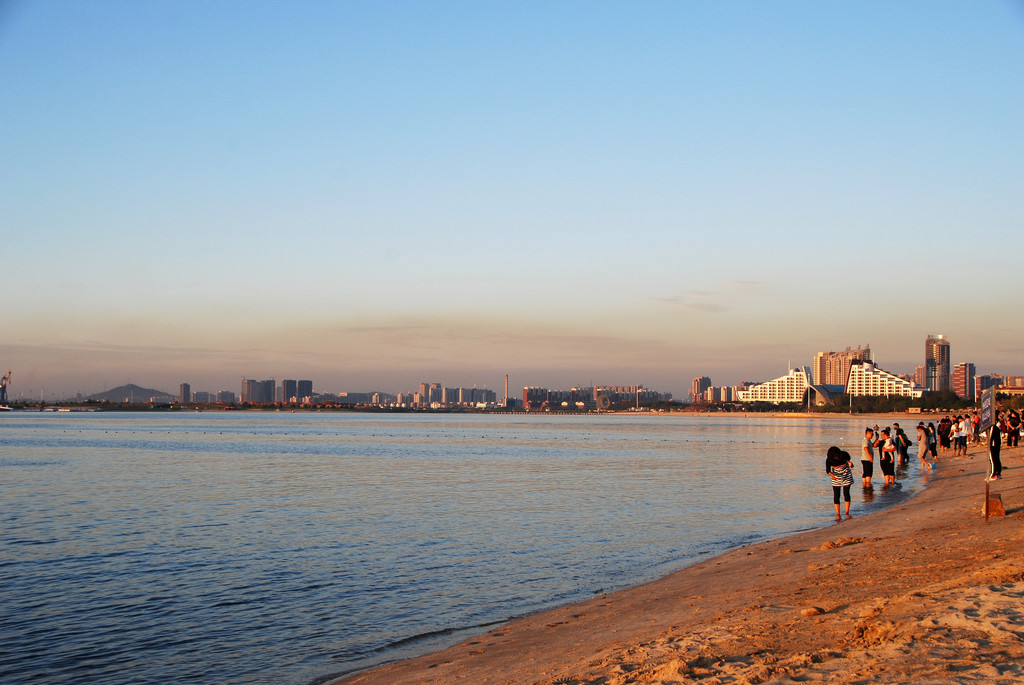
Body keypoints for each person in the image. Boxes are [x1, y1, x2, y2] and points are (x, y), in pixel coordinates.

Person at [826, 446, 854, 520]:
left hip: (846, 475)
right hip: (836, 476)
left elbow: (850, 463)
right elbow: (828, 471)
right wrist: (832, 475)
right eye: (834, 456)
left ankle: (847, 512)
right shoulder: (829, 460)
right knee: (836, 495)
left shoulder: (844, 454)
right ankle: (838, 513)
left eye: (836, 455)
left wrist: (850, 463)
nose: (836, 457)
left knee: (846, 493)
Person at [989, 414, 1003, 480]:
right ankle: (998, 473)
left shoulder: (993, 427)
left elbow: (991, 437)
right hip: (997, 444)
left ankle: (993, 474)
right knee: (997, 459)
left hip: (993, 445)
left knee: (993, 460)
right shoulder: (997, 427)